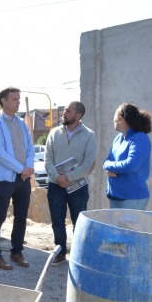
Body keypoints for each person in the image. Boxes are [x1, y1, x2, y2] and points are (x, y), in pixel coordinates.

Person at [0, 87, 35, 270]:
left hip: (23, 178)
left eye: (18, 99)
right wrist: (21, 168)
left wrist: (26, 169)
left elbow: (30, 146)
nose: (18, 102)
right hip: (5, 179)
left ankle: (16, 252)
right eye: (14, 99)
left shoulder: (21, 123)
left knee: (21, 217)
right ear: (3, 101)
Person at [45, 101, 97, 266]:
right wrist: (57, 177)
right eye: (64, 111)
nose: (64, 113)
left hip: (78, 187)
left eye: (68, 111)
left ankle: (80, 254)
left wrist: (69, 178)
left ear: (78, 115)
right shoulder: (54, 133)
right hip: (55, 185)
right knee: (57, 220)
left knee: (79, 221)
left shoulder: (89, 135)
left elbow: (88, 164)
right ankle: (60, 252)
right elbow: (48, 160)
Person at [103, 103, 152, 210]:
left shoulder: (140, 138)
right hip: (115, 195)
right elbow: (107, 160)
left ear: (120, 119)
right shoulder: (118, 138)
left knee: (128, 227)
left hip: (132, 197)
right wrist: (108, 166)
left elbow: (131, 165)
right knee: (116, 227)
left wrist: (110, 167)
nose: (113, 120)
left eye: (114, 117)